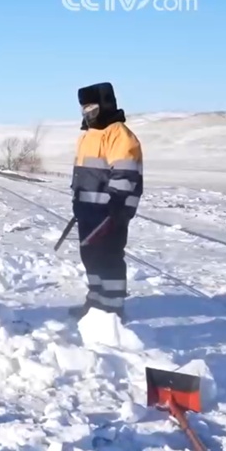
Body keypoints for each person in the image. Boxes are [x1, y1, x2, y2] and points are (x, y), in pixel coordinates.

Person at [68, 82, 143, 321]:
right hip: (88, 209)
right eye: (84, 108)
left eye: (92, 107)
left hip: (110, 211)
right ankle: (96, 302)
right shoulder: (87, 136)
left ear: (105, 104)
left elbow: (126, 171)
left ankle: (111, 309)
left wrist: (117, 205)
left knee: (108, 257)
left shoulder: (118, 133)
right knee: (91, 256)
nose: (87, 112)